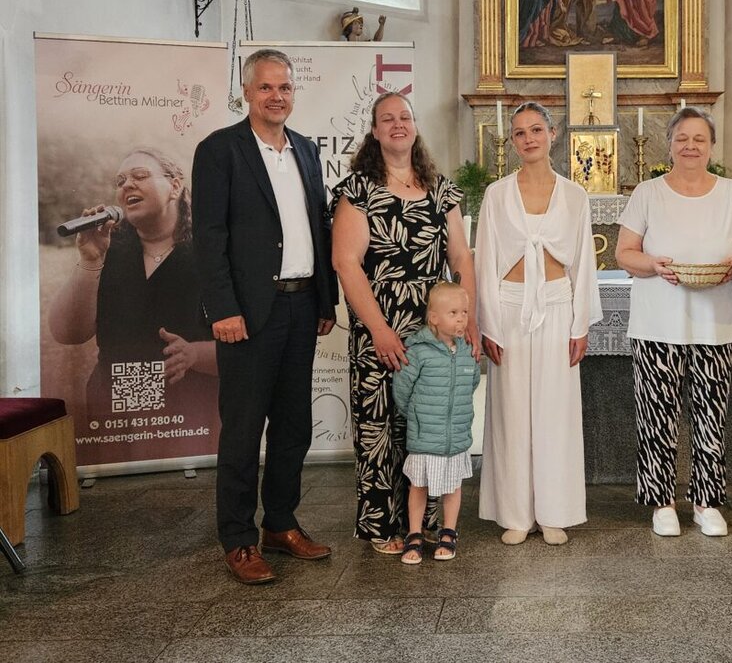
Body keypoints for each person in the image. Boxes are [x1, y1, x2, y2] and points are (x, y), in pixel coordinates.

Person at [192, 48, 339, 585]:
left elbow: (317, 228)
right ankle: (238, 539)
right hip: (248, 313)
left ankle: (280, 523)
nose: (277, 96)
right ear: (247, 92)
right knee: (244, 428)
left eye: (285, 88)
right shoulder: (219, 151)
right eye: (266, 88)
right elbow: (207, 238)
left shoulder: (305, 149)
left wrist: (326, 300)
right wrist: (223, 308)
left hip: (302, 306)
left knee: (293, 424)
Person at [330, 91, 479, 555]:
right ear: (374, 131)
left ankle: (425, 521)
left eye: (406, 117)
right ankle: (382, 524)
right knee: (380, 427)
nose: (398, 124)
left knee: (426, 424)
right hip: (382, 327)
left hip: (434, 331)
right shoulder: (357, 189)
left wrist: (467, 318)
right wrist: (378, 329)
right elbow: (346, 263)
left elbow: (460, 257)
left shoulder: (442, 189)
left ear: (415, 126)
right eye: (387, 118)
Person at [614, 107, 732, 538]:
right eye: (682, 138)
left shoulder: (731, 192)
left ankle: (707, 500)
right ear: (670, 144)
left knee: (712, 415)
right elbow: (624, 254)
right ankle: (661, 503)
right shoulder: (648, 192)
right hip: (658, 323)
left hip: (713, 323)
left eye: (699, 139)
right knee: (657, 416)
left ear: (711, 145)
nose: (690, 146)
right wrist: (654, 264)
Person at [476, 101, 602, 546]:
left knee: (555, 411)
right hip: (510, 307)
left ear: (552, 134)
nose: (528, 138)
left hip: (556, 304)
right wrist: (488, 324)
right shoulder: (496, 194)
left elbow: (584, 263)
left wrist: (580, 324)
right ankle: (515, 512)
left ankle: (554, 510)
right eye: (519, 133)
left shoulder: (574, 195)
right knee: (510, 409)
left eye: (535, 130)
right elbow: (486, 260)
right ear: (512, 141)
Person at [48, 147, 219, 451]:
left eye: (139, 176)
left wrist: (195, 353)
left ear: (175, 186)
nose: (126, 185)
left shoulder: (212, 250)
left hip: (191, 408)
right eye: (120, 181)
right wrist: (90, 260)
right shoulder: (107, 245)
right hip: (114, 405)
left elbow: (249, 338)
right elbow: (68, 333)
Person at [392, 282, 480, 564]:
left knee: (453, 486)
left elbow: (472, 383)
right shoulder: (419, 351)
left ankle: (449, 532)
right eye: (453, 312)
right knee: (418, 485)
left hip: (456, 435)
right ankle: (415, 534)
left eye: (464, 312)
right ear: (434, 318)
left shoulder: (466, 351)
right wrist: (418, 417)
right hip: (425, 434)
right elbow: (402, 391)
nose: (461, 319)